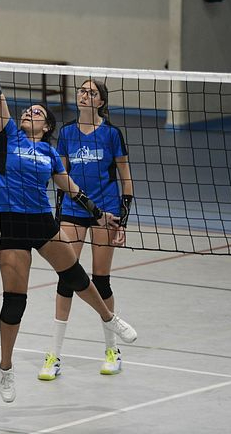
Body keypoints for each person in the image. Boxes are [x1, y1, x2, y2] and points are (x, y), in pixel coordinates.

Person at [0, 38, 137, 404]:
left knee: (76, 275)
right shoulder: (9, 136)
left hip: (43, 222)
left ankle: (109, 320)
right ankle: (6, 368)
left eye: (38, 113)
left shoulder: (49, 152)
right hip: (13, 226)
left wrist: (100, 214)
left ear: (47, 127)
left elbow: (71, 188)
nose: (30, 113)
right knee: (15, 302)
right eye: (27, 111)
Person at [39, 79, 135, 380]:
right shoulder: (66, 133)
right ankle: (54, 354)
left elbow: (127, 180)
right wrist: (57, 217)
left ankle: (112, 350)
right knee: (67, 278)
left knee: (101, 280)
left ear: (101, 102)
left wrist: (123, 218)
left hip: (106, 213)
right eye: (81, 90)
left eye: (91, 92)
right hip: (72, 211)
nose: (84, 95)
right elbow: (60, 178)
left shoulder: (111, 135)